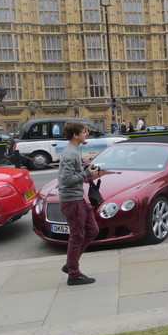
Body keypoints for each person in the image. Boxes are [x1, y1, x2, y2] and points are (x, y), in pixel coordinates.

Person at [58, 121, 100, 286]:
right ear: (75, 135)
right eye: (84, 132)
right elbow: (65, 179)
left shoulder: (74, 150)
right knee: (77, 237)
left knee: (93, 230)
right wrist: (86, 173)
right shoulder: (70, 153)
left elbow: (73, 174)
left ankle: (70, 263)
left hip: (78, 198)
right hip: (72, 201)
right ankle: (73, 275)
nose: (86, 134)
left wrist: (87, 172)